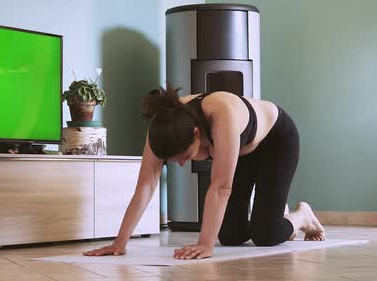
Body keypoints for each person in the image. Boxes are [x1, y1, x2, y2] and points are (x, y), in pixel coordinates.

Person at [83, 83, 325, 260]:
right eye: (174, 160)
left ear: (197, 133)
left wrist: (205, 244)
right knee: (231, 235)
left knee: (267, 234)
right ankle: (272, 211)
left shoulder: (222, 114)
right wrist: (120, 242)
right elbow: (146, 185)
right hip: (241, 152)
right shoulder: (163, 128)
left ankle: (302, 216)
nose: (180, 164)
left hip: (276, 141)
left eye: (185, 157)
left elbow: (220, 188)